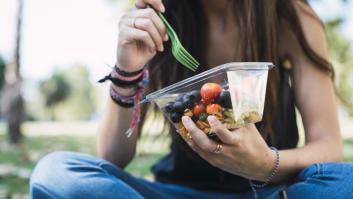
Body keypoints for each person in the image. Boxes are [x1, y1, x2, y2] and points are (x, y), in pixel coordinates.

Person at [30, 0, 353, 198]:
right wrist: (127, 71)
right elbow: (112, 157)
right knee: (56, 172)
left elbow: (329, 149)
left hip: (271, 191)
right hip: (178, 192)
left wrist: (266, 164)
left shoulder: (291, 14)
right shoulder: (158, 20)